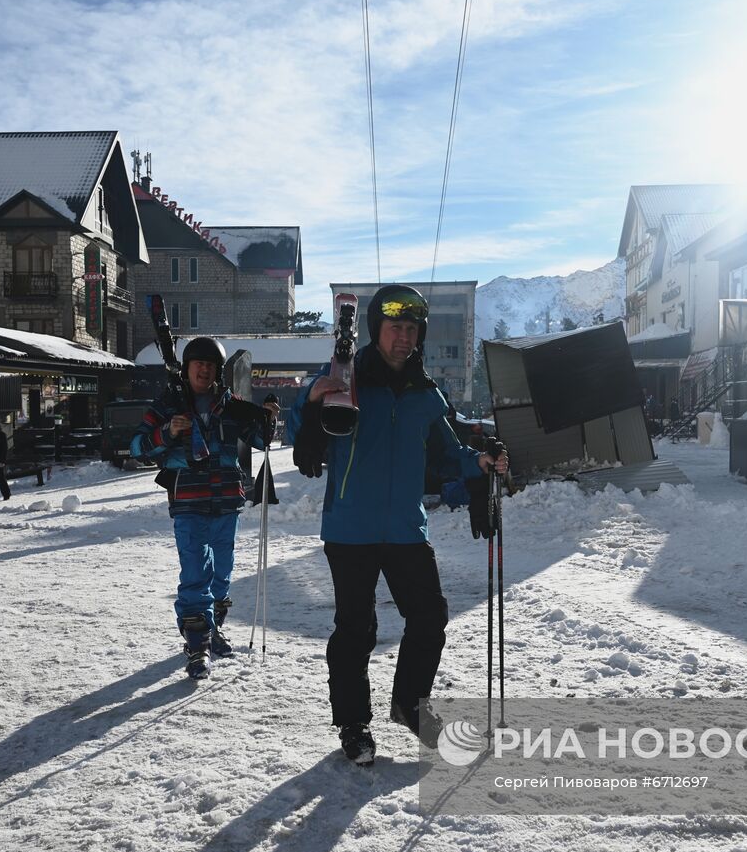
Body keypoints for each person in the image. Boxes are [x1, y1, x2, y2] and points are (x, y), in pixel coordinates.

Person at [288, 284, 509, 766]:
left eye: (412, 329)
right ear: (376, 330)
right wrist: (309, 398)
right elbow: (293, 429)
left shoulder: (426, 395)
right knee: (356, 629)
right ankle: (353, 724)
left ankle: (410, 703)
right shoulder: (345, 380)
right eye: (395, 328)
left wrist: (482, 463)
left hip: (407, 528)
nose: (404, 338)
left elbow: (449, 454)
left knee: (429, 618)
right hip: (350, 528)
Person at [131, 337, 279, 680]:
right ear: (187, 368)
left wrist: (268, 417)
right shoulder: (168, 406)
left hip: (227, 501)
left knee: (223, 572)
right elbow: (137, 446)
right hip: (189, 503)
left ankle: (213, 630)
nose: (204, 369)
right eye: (198, 363)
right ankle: (197, 645)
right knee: (196, 573)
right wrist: (166, 432)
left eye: (211, 365)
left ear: (218, 371)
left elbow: (261, 440)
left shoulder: (231, 405)